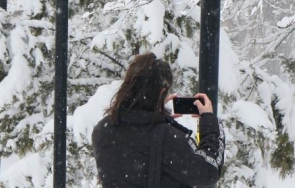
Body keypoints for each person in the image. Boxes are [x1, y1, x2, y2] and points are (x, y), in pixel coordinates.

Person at [92, 53, 225, 188]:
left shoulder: (103, 129)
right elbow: (209, 171)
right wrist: (209, 121)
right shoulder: (167, 138)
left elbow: (136, 152)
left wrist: (157, 118)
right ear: (162, 92)